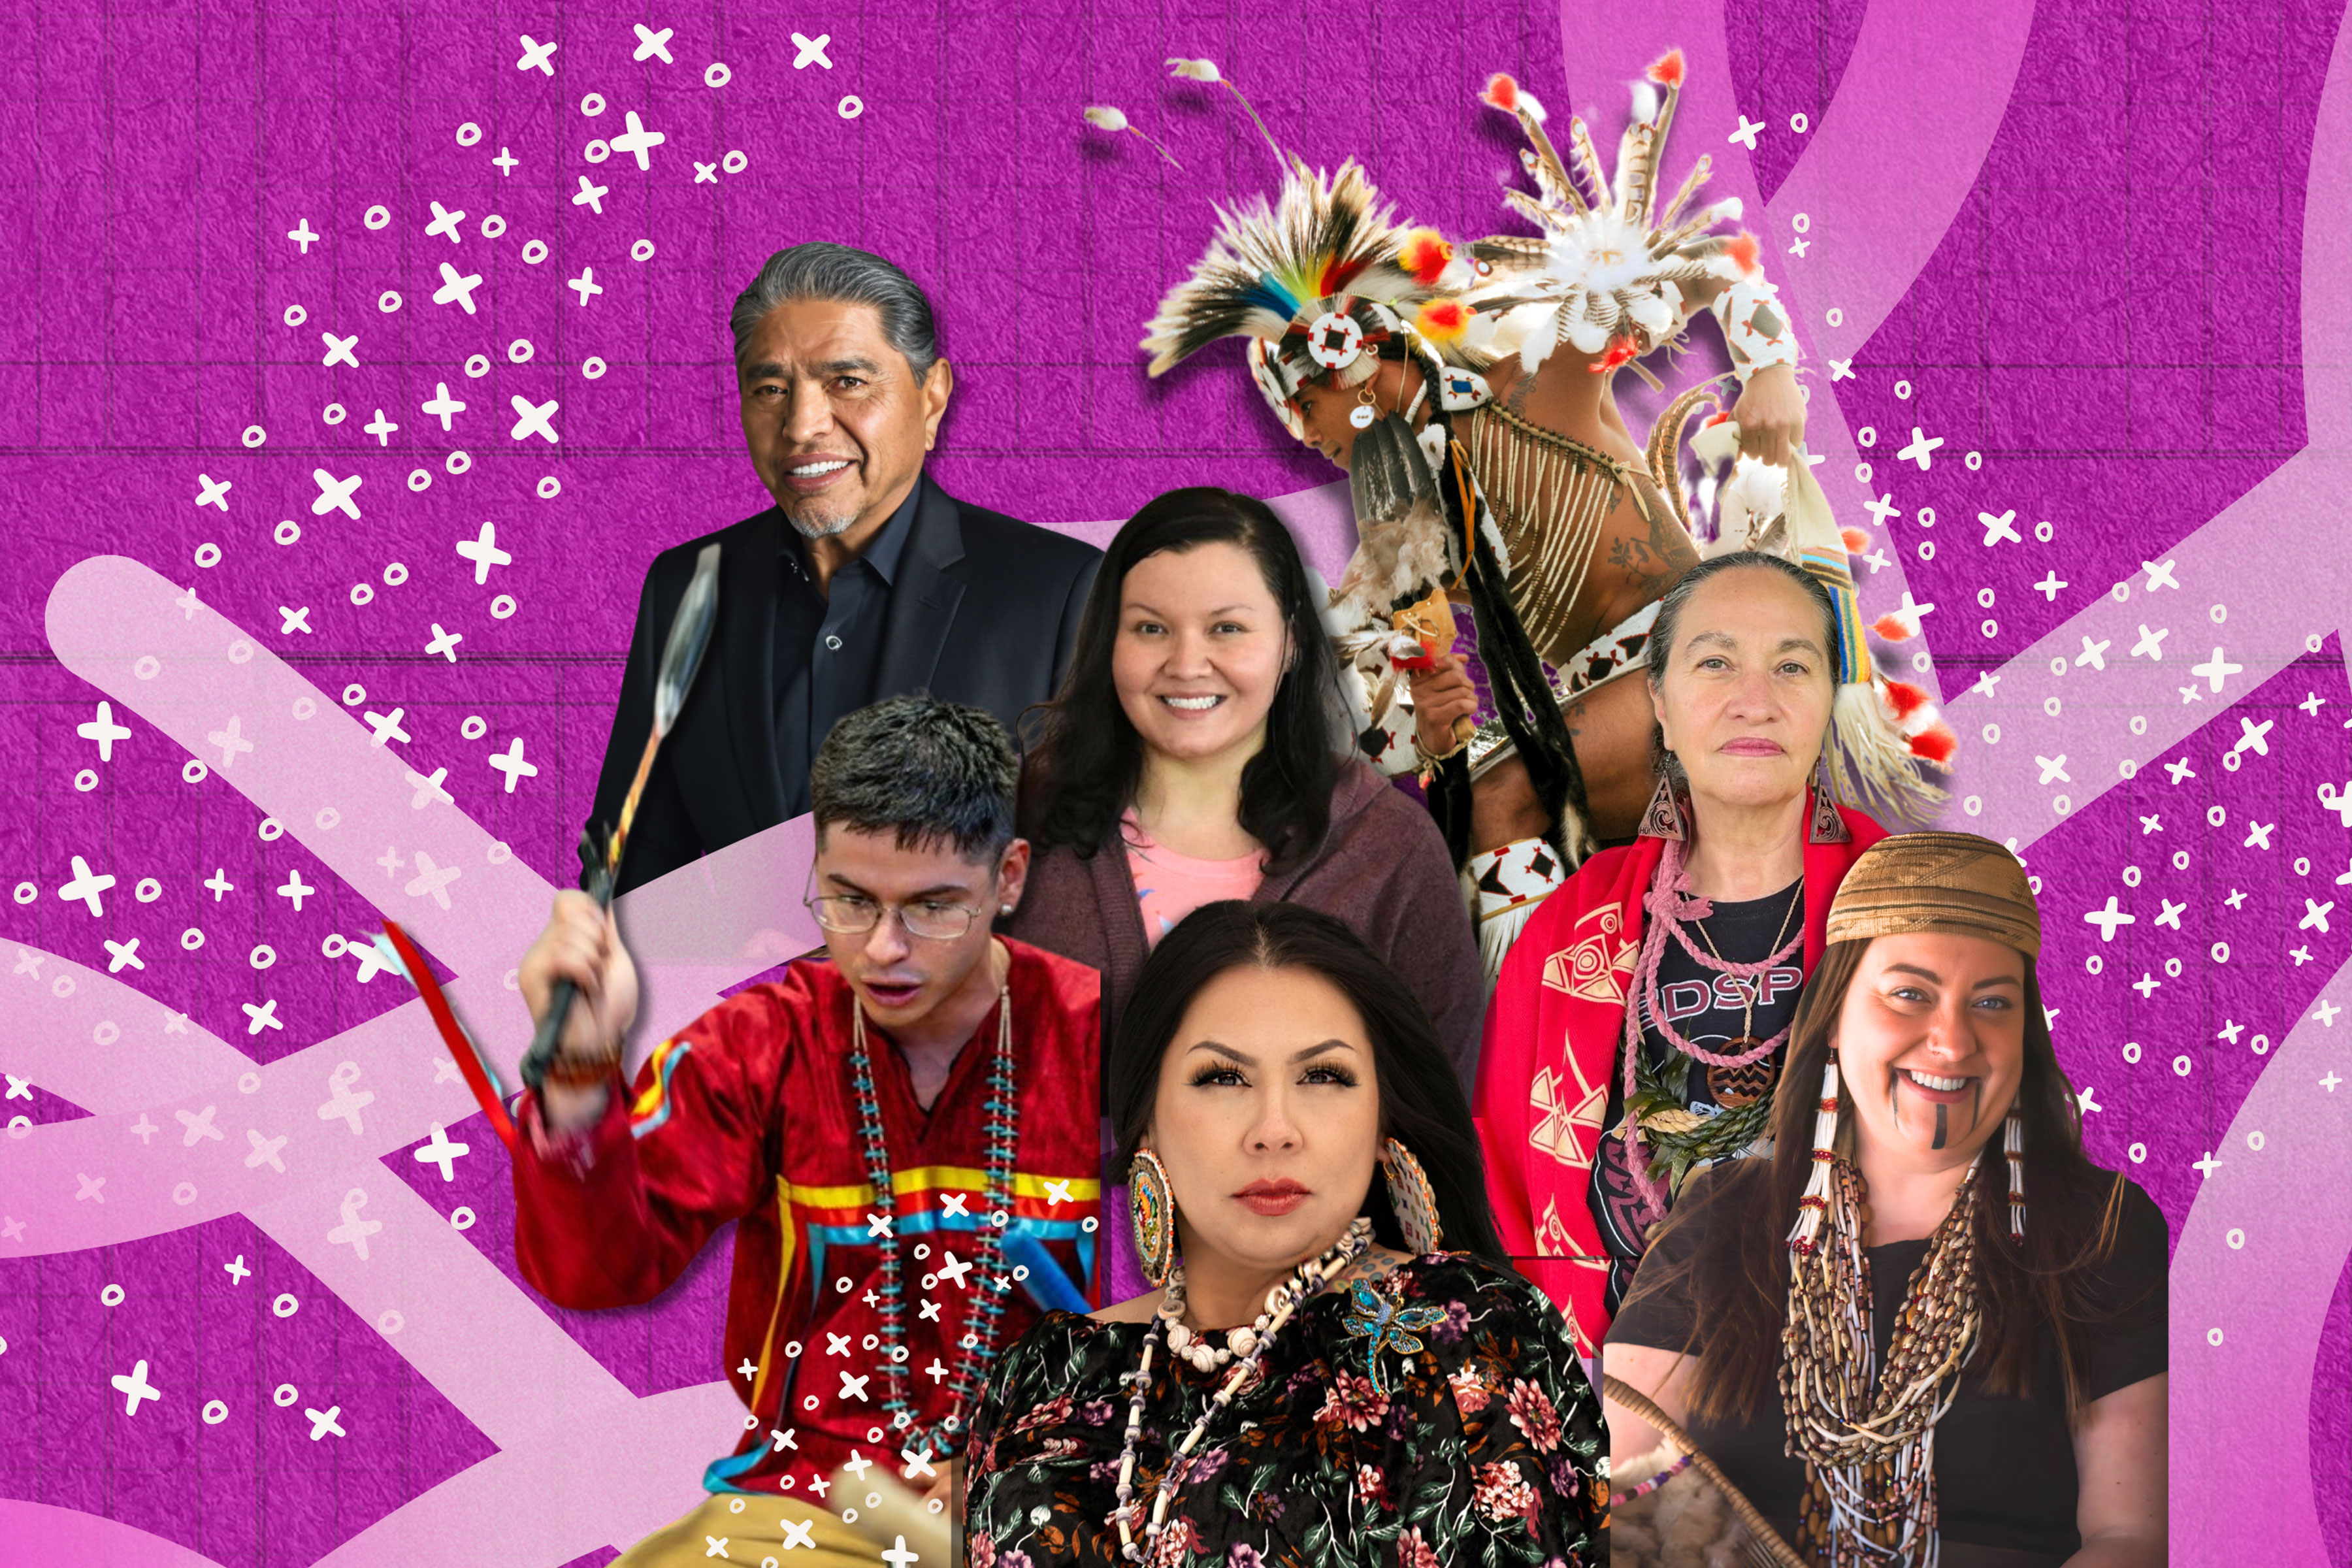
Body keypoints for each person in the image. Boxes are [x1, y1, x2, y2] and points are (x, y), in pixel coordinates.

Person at [1130, 51, 1952, 977]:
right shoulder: (1408, 522)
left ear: (1349, 362)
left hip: (1697, 661)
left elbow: (1707, 267)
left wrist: (1768, 374)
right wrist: (1411, 715)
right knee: (1443, 816)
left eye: (1307, 412)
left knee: (1499, 798)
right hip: (1605, 707)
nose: (1305, 441)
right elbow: (1364, 683)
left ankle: (1523, 1041)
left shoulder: (1532, 382)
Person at [510, 694, 1102, 1566]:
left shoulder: (1107, 1027)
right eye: (848, 900)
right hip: (809, 1508)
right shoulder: (760, 1041)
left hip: (1066, 1492)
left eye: (934, 907)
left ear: (1009, 878)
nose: (883, 949)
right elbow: (600, 1271)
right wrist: (576, 1076)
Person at [964, 902, 1607, 1567]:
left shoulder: (1467, 1335)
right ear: (1146, 1121)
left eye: (1323, 1077)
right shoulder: (1038, 1375)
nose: (1274, 1128)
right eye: (1222, 1078)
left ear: (1382, 1118)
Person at [1603, 832, 2168, 1568]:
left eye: (1992, 1003)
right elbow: (1620, 1501)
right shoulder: (1720, 1219)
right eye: (1911, 994)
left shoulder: (2102, 1231)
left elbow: (2130, 1537)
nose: (1952, 1040)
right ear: (1836, 1015)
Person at [589, 242, 1102, 894]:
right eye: (770, 389)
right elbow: (632, 866)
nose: (803, 426)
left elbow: (1086, 881)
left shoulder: (1061, 593)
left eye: (848, 383)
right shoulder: (687, 587)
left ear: (933, 396)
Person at [1475, 553, 1890, 1356]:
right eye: (1716, 663)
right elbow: (1501, 1183)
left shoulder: (1909, 910)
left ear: (1829, 697)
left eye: (1792, 666)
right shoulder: (1570, 928)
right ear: (1659, 701)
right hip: (1616, 1423)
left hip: (1858, 1406)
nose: (1755, 701)